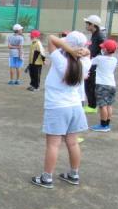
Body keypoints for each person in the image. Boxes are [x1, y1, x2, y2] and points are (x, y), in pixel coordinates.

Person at [31, 31, 91, 189]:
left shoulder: (60, 59)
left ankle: (46, 177)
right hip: (75, 106)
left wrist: (70, 50)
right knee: (72, 143)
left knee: (53, 145)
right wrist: (81, 51)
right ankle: (74, 174)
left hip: (57, 107)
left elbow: (51, 38)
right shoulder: (84, 62)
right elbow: (87, 53)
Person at [90, 39, 118, 132]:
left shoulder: (99, 58)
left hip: (102, 84)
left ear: (105, 49)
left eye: (103, 48)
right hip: (112, 84)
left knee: (102, 106)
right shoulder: (114, 59)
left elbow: (90, 62)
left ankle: (103, 125)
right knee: (109, 105)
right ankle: (107, 124)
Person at [83, 15, 105, 113]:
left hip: (94, 65)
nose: (86, 25)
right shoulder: (96, 34)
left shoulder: (99, 36)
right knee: (88, 84)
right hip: (93, 64)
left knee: (90, 85)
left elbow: (96, 51)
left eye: (87, 23)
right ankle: (91, 105)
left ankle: (92, 106)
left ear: (93, 25)